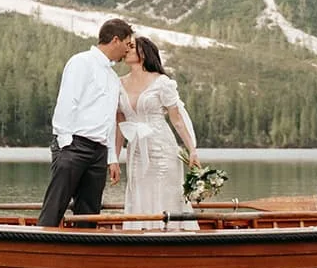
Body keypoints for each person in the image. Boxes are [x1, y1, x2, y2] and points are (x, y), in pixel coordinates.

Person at [38, 18, 138, 227]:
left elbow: (110, 120)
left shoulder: (112, 77)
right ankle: (39, 249)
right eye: (127, 44)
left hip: (98, 152)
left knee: (90, 212)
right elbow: (67, 102)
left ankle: (81, 255)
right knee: (55, 205)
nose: (127, 51)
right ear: (116, 40)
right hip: (74, 146)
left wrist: (111, 157)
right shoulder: (81, 62)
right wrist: (66, 145)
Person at [117, 35, 200, 231]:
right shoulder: (118, 83)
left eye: (131, 47)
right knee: (139, 190)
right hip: (136, 150)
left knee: (165, 192)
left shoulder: (162, 82)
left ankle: (170, 235)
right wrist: (114, 157)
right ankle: (139, 234)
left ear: (143, 53)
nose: (126, 50)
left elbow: (177, 119)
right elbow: (120, 124)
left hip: (162, 148)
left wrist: (192, 150)